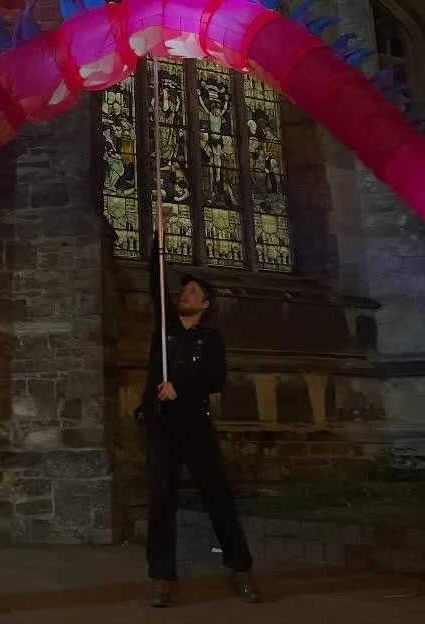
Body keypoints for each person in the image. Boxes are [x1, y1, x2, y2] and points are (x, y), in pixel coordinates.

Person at [138, 233, 258, 608]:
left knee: (218, 498)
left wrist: (181, 388)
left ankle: (241, 570)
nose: (184, 295)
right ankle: (161, 579)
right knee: (161, 503)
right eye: (184, 290)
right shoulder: (167, 329)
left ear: (205, 304)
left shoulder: (211, 339)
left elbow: (215, 379)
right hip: (164, 428)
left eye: (192, 292)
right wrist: (158, 235)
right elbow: (156, 280)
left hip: (195, 426)